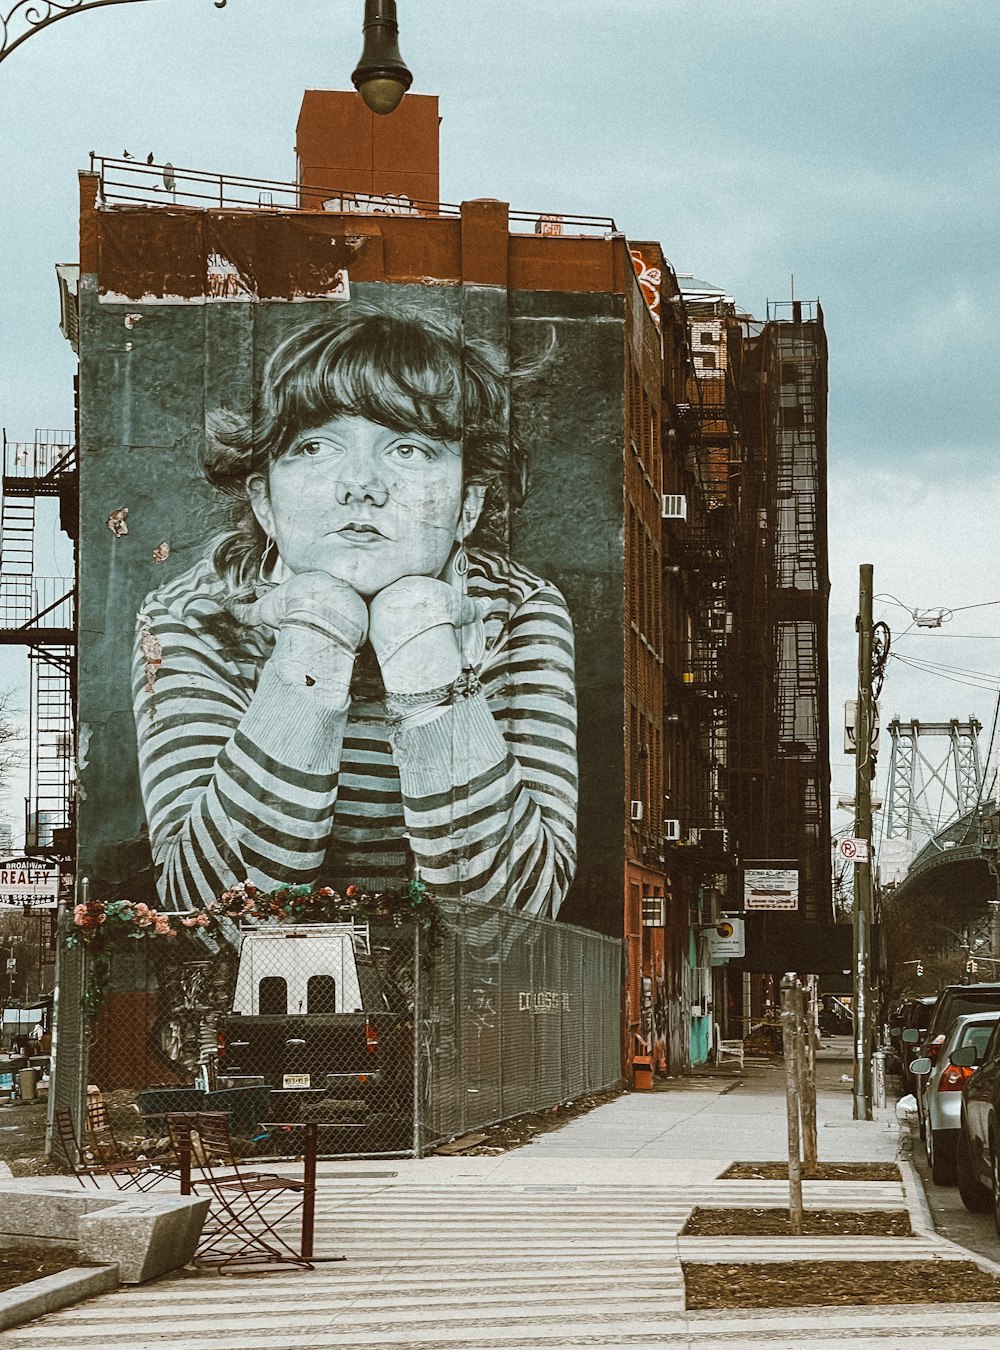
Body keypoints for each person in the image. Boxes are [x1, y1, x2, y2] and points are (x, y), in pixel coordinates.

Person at [133, 307, 577, 919]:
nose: (360, 485)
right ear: (264, 500)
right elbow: (209, 910)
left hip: (457, 1007)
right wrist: (317, 630)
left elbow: (510, 920)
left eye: (410, 449)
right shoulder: (191, 617)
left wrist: (418, 639)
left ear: (467, 505)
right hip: (252, 1008)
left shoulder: (521, 612)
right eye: (315, 446)